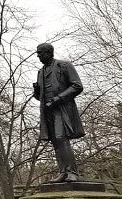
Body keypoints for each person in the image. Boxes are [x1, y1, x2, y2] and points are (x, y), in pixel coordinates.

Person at [33, 43, 85, 182]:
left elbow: (77, 86)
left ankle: (72, 172)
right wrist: (37, 91)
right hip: (48, 111)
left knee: (61, 137)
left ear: (49, 52)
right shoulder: (40, 72)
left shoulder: (64, 65)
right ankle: (63, 172)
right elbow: (40, 97)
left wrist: (58, 98)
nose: (38, 55)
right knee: (56, 141)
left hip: (62, 109)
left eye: (40, 52)